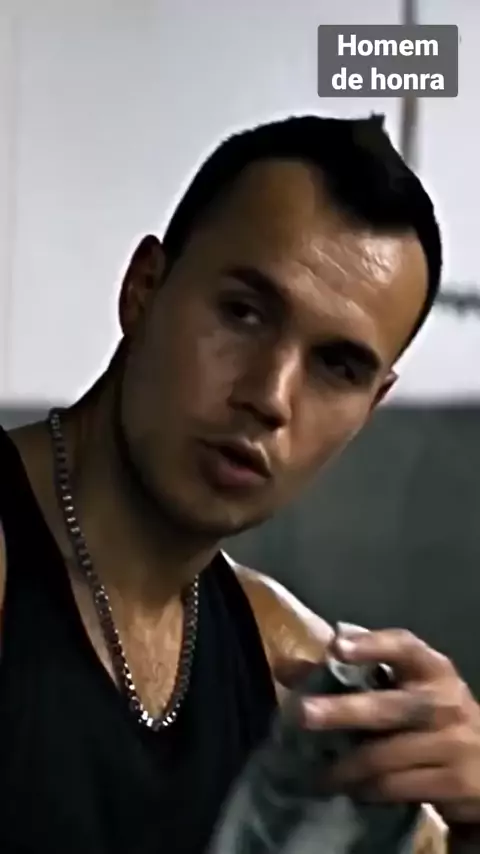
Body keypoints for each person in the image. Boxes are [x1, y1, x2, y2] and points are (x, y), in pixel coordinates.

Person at [0, 113, 478, 854]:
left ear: (371, 406)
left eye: (337, 366)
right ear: (143, 290)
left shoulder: (285, 661)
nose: (271, 396)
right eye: (244, 313)